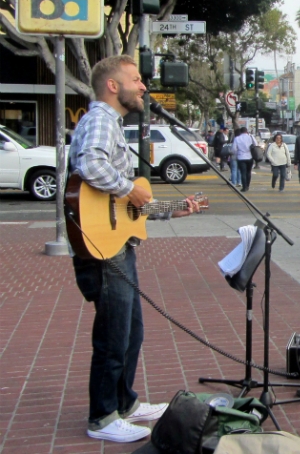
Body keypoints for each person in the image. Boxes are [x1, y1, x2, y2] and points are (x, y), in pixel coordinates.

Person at [68, 55, 201, 443]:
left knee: (131, 332)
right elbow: (90, 164)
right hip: (103, 250)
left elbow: (127, 206)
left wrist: (173, 209)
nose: (144, 87)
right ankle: (102, 417)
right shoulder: (99, 120)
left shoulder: (111, 124)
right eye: (136, 80)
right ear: (113, 85)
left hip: (117, 243)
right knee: (113, 336)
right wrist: (131, 188)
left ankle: (124, 402)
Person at [232, 126, 256, 192]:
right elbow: (255, 144)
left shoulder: (237, 138)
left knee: (243, 172)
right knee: (248, 172)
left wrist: (237, 154)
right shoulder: (250, 137)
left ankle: (244, 187)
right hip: (249, 157)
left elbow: (234, 149)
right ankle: (247, 185)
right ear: (246, 131)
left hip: (241, 157)